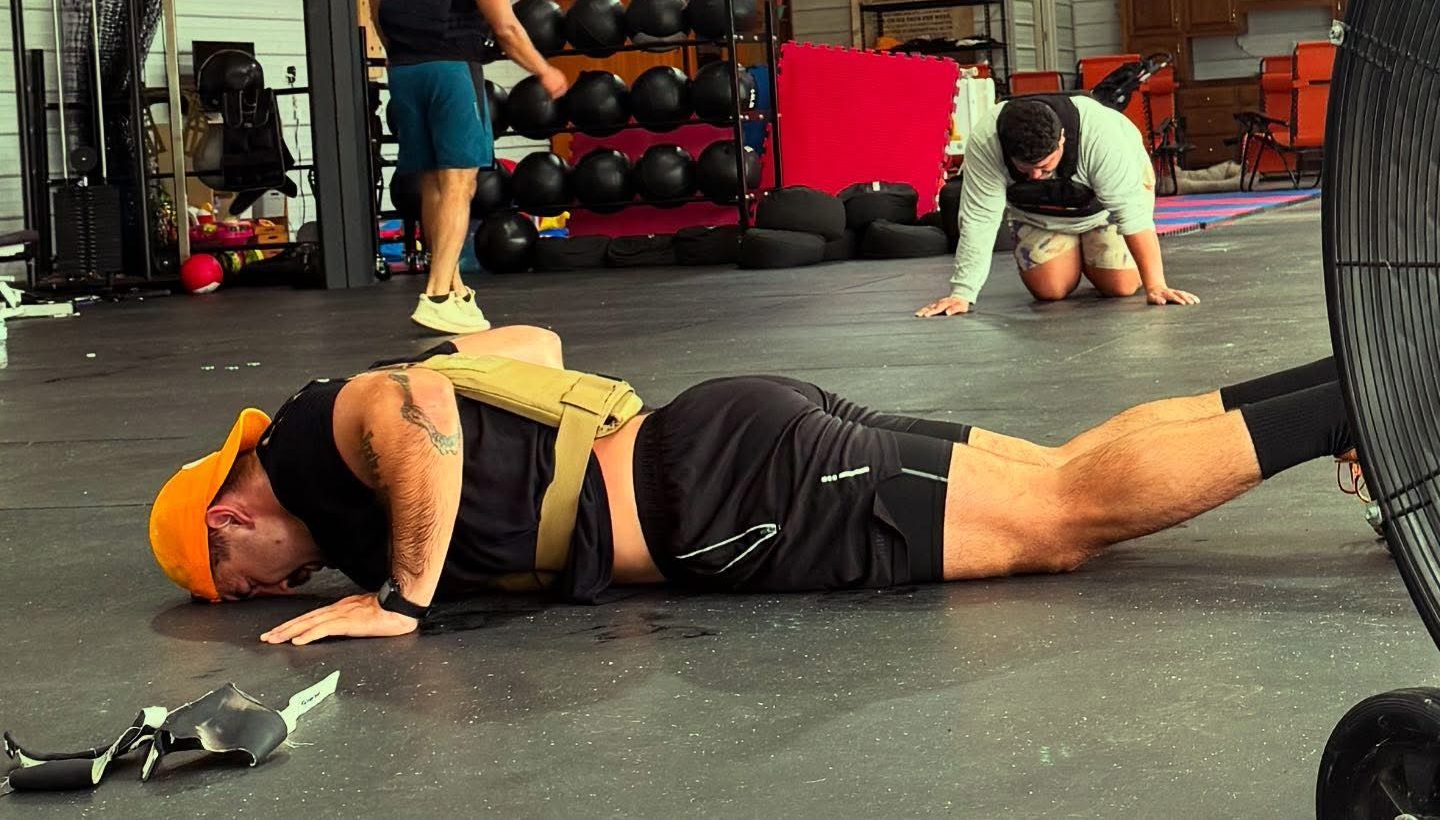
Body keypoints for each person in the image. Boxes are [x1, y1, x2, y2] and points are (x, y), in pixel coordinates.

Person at [148, 327, 1356, 646]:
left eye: (240, 583)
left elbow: (412, 418)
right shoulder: (330, 444)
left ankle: (1360, 401)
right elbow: (532, 349)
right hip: (724, 434)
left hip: (725, 492)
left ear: (228, 518)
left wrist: (402, 598)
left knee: (1060, 518)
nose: (275, 590)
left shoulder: (320, 432)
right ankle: (1362, 374)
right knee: (1062, 470)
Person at [369, 0, 568, 335]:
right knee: (461, 181)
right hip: (452, 69)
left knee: (437, 180)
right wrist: (544, 72)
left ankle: (453, 285)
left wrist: (395, 47)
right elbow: (505, 28)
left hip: (404, 68)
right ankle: (437, 295)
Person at [916, 95, 1199, 318]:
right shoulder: (986, 142)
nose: (1036, 176)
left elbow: (1132, 216)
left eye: (1043, 166)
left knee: (1120, 287)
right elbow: (980, 218)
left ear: (1061, 139)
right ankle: (1069, 247)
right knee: (1050, 290)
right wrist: (962, 293)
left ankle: (1095, 244)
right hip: (1041, 214)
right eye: (1025, 170)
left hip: (1103, 211)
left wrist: (1156, 286)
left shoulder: (1102, 137)